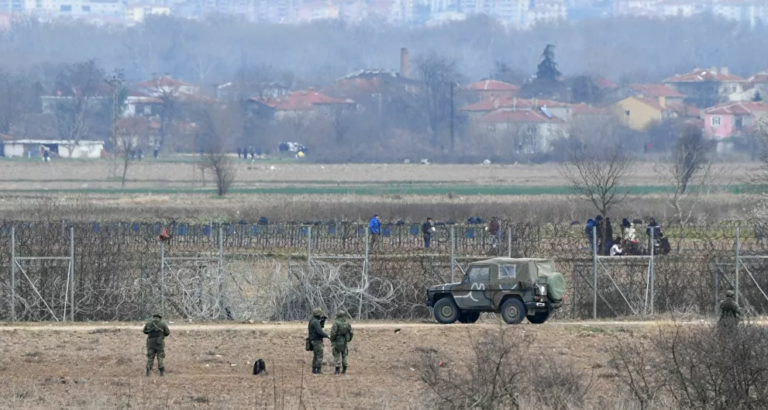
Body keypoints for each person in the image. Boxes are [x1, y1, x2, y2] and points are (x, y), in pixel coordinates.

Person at [330, 309, 354, 375]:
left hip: (337, 340)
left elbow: (333, 333)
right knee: (345, 355)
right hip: (345, 341)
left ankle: (337, 370)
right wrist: (349, 339)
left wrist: (332, 340)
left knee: (337, 354)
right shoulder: (347, 323)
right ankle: (344, 370)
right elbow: (351, 332)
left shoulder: (336, 323)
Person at [308, 307, 329, 374]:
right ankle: (318, 370)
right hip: (317, 340)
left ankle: (314, 369)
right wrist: (327, 336)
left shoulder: (312, 320)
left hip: (313, 340)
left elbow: (318, 328)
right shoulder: (315, 322)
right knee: (319, 355)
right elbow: (320, 332)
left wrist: (322, 322)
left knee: (315, 355)